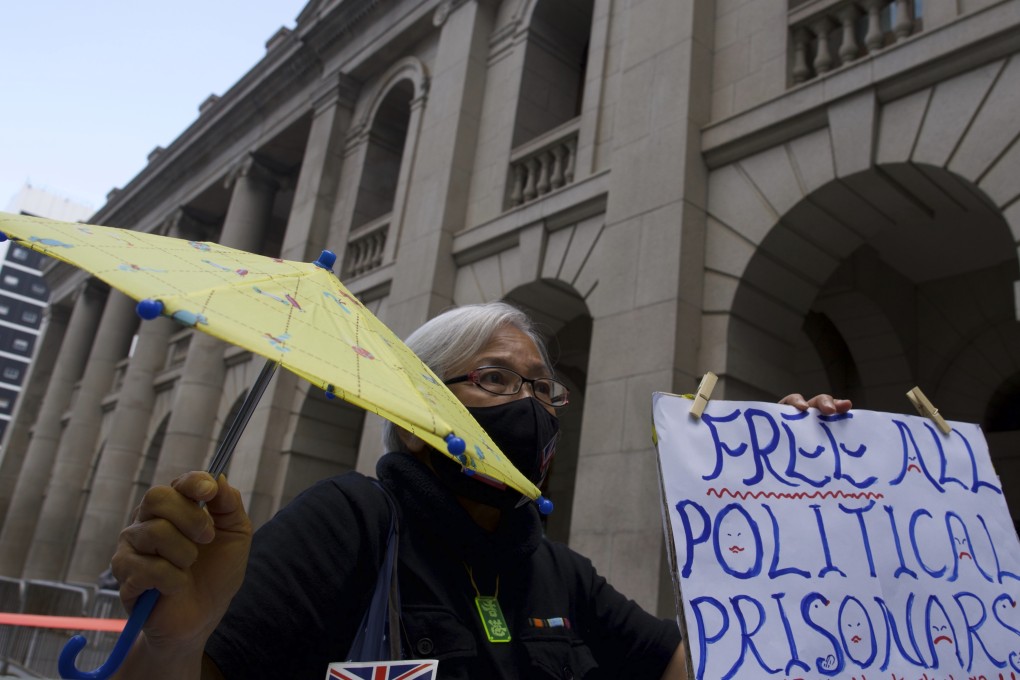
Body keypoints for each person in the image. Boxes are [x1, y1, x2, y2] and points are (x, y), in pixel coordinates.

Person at [110, 301, 851, 679]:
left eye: (544, 388)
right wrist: (174, 639)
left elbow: (698, 667)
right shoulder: (349, 523)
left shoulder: (560, 572)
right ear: (414, 414)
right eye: (494, 379)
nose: (530, 406)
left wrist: (777, 496)